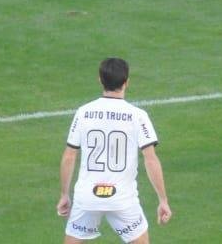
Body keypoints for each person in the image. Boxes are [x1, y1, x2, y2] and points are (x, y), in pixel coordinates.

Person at [57, 58, 171, 243]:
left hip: (87, 198)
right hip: (122, 199)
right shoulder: (138, 116)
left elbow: (69, 156)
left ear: (100, 80)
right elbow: (150, 160)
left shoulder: (83, 112)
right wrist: (163, 199)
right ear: (126, 82)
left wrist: (64, 194)